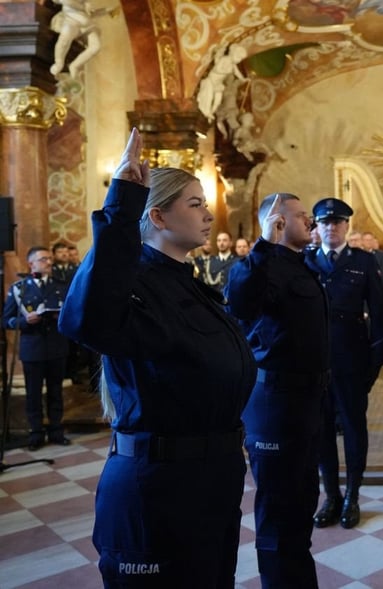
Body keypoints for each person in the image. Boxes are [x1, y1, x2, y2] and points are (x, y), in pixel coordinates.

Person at [58, 128, 256, 587]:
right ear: (158, 216)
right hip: (158, 485)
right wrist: (122, 203)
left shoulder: (187, 283)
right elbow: (86, 319)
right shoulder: (136, 284)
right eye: (195, 204)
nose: (208, 214)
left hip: (208, 479)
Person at [226, 192, 329, 588]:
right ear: (278, 222)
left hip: (305, 402)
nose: (311, 222)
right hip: (276, 405)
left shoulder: (301, 265)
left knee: (301, 504)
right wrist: (264, 243)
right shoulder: (262, 265)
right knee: (278, 510)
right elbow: (240, 301)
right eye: (302, 216)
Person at [305, 198, 383, 530]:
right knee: (321, 430)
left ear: (346, 225)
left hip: (352, 359)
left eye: (337, 222)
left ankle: (353, 495)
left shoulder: (363, 261)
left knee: (354, 428)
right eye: (325, 222)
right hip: (315, 362)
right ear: (317, 226)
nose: (331, 227)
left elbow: (378, 315)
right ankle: (332, 496)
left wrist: (376, 359)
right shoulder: (306, 260)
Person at [3, 246, 70, 450]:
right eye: (43, 259)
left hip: (56, 346)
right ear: (31, 264)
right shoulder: (20, 288)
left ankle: (56, 430)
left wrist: (62, 316)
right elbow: (6, 320)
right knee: (33, 393)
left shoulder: (61, 285)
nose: (49, 262)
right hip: (32, 348)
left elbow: (72, 312)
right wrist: (25, 321)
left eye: (49, 258)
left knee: (55, 391)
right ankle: (36, 433)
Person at [49, 0, 119, 78]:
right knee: (65, 38)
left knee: (96, 47)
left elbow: (93, 14)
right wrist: (85, 6)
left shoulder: (86, 5)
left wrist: (107, 10)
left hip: (87, 25)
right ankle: (59, 62)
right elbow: (67, 2)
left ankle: (75, 65)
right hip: (71, 22)